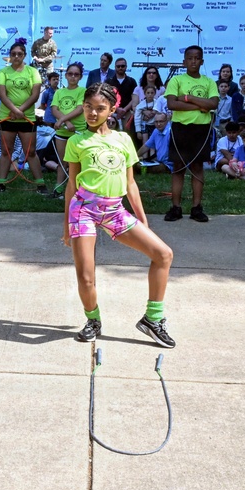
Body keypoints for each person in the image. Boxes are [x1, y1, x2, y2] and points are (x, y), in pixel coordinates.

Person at [63, 82, 175, 347]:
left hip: (115, 210)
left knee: (163, 254)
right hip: (84, 211)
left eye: (100, 108)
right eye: (88, 107)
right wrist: (66, 226)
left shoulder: (124, 139)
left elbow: (131, 184)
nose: (92, 113)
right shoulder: (76, 141)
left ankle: (153, 319)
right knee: (86, 276)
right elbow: (70, 185)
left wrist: (142, 219)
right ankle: (93, 320)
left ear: (112, 109)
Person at [163, 46, 219, 222]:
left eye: (197, 58)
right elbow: (172, 104)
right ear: (184, 61)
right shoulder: (177, 80)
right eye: (190, 58)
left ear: (202, 61)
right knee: (178, 168)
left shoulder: (209, 82)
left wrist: (187, 98)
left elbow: (214, 104)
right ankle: (176, 207)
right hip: (181, 128)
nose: (193, 61)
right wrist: (201, 105)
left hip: (201, 130)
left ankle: (196, 208)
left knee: (197, 168)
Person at [0, 41, 46, 192]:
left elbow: (35, 95)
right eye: (13, 54)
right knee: (6, 151)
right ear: (10, 56)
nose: (16, 57)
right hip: (7, 116)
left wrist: (20, 110)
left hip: (26, 117)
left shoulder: (32, 72)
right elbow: (2, 94)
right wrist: (14, 110)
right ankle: (1, 183)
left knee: (30, 152)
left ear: (24, 55)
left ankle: (40, 184)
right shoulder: (3, 73)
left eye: (20, 54)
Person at [50, 63, 87, 196]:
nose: (73, 77)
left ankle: (79, 190)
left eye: (76, 74)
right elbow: (54, 109)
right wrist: (65, 121)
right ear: (65, 76)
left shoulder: (82, 91)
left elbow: (79, 109)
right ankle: (58, 188)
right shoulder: (59, 92)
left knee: (77, 162)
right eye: (70, 74)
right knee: (62, 161)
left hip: (77, 131)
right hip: (62, 132)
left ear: (80, 77)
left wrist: (61, 120)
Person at [104, 57, 137, 129]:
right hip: (112, 114)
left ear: (126, 67)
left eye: (123, 66)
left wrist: (124, 110)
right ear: (115, 67)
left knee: (128, 135)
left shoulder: (132, 81)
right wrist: (117, 109)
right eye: (118, 66)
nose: (120, 68)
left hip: (128, 113)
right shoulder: (108, 81)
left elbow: (134, 98)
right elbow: (106, 98)